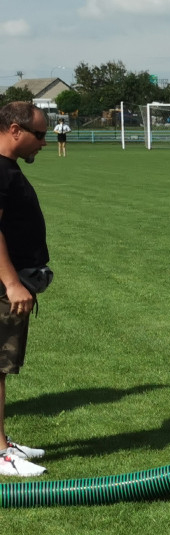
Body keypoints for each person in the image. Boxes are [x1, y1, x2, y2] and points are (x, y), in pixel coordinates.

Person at [0, 102, 52, 477]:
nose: (44, 143)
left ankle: (1, 440)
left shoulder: (7, 168)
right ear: (15, 130)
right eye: (40, 135)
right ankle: (0, 452)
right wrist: (12, 282)